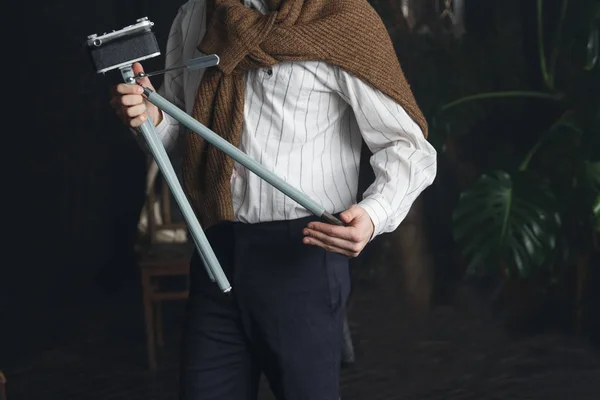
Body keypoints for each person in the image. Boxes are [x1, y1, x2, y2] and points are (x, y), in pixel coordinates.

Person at [110, 0, 437, 399]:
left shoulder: (343, 17)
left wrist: (373, 215)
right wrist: (151, 116)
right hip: (216, 251)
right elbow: (181, 131)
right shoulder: (197, 14)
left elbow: (408, 147)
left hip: (304, 254)